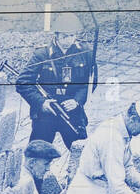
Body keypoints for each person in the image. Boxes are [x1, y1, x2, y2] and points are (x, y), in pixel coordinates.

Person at [16, 13, 95, 149]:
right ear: (56, 35)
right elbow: (23, 82)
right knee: (38, 152)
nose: (69, 40)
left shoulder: (85, 53)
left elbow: (91, 82)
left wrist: (77, 101)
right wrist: (41, 102)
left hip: (72, 113)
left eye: (72, 35)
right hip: (46, 114)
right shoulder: (42, 54)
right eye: (65, 36)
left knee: (82, 153)